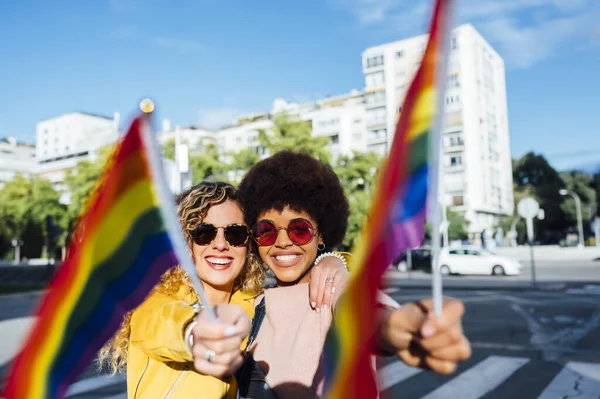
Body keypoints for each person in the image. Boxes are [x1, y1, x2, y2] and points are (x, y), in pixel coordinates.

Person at [191, 151, 472, 398]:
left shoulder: (333, 288)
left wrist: (401, 329)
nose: (283, 241)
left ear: (321, 234)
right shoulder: (250, 301)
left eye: (299, 229)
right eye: (266, 231)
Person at [97, 181, 347, 399]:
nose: (220, 245)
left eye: (235, 234)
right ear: (185, 243)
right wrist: (196, 331)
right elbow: (163, 323)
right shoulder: (153, 301)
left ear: (248, 245)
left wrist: (332, 260)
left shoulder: (255, 304)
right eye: (204, 233)